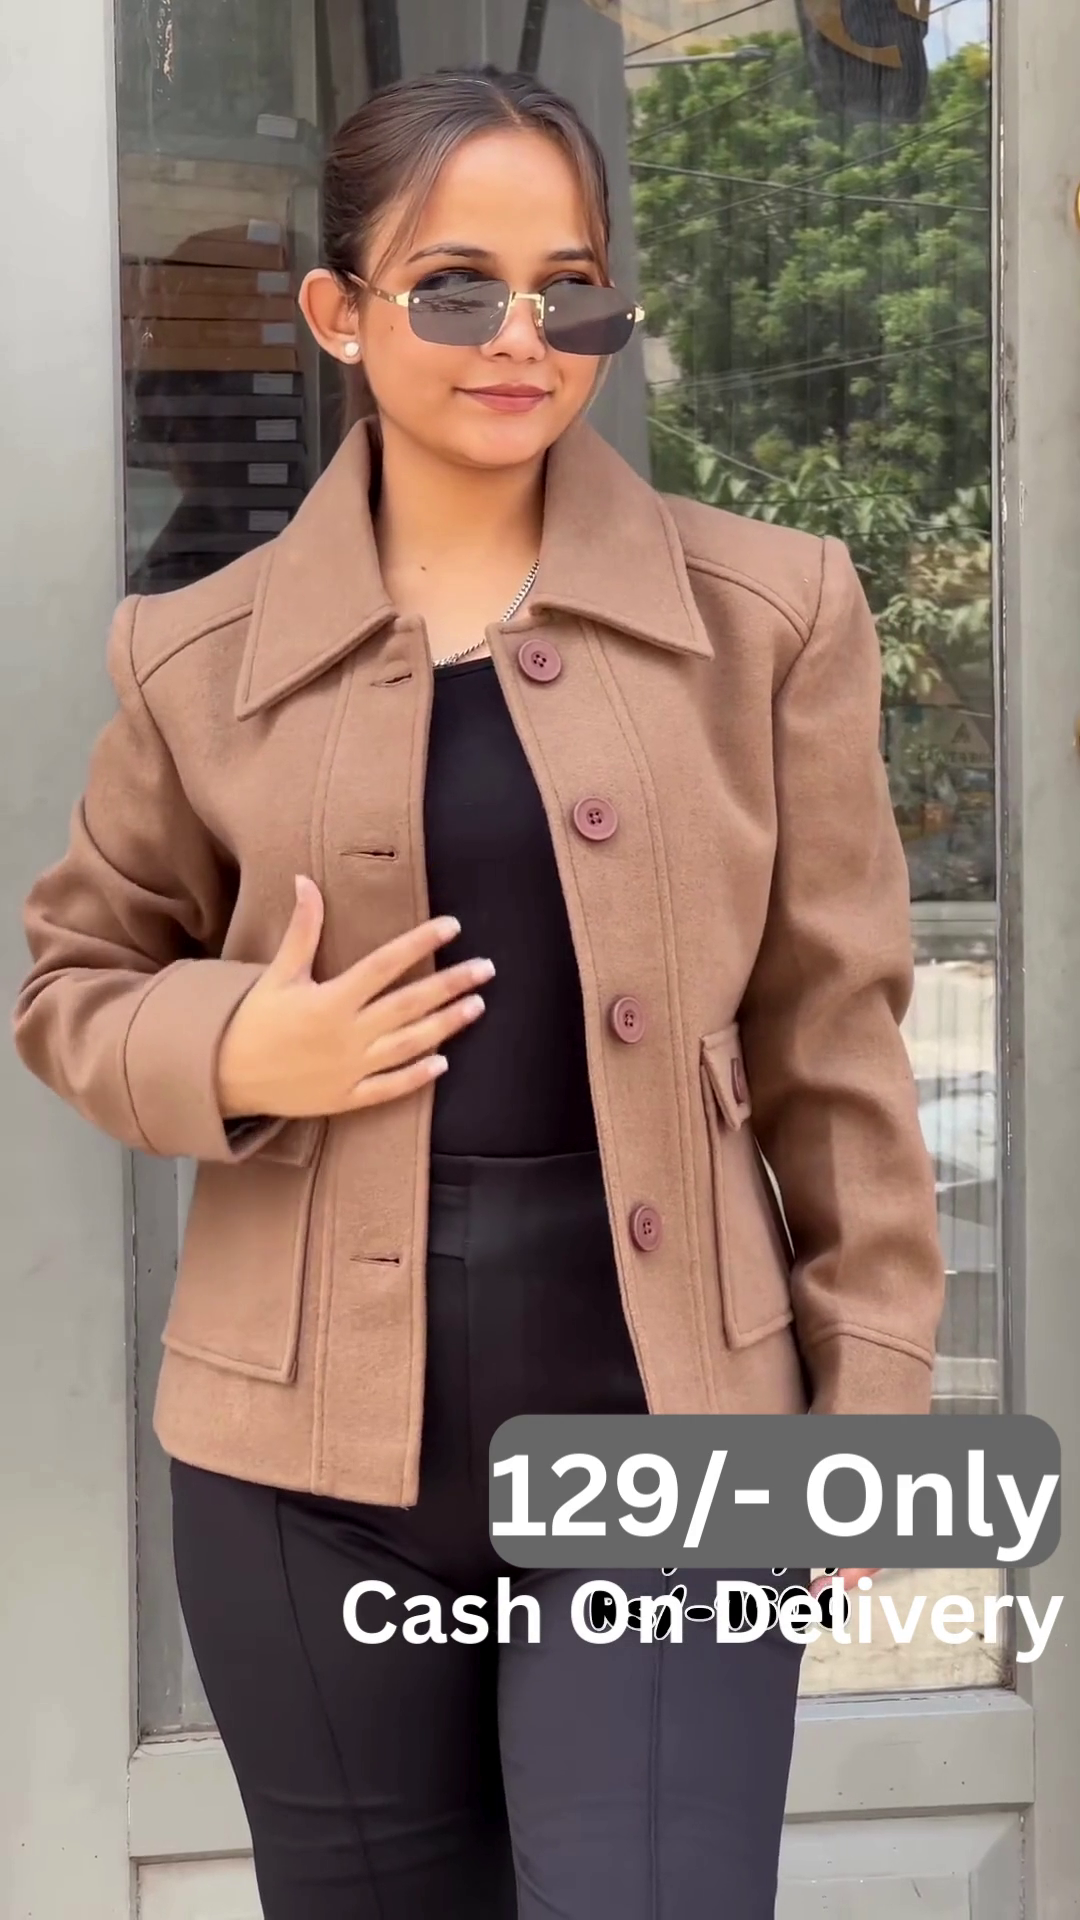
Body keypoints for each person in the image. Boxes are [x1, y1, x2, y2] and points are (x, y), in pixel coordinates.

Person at [12, 65, 945, 1920]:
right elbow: (76, 982)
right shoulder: (196, 657)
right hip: (300, 1472)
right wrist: (242, 1043)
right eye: (455, 286)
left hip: (671, 1438)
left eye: (568, 289)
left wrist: (873, 1406)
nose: (522, 336)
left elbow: (834, 1037)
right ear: (339, 312)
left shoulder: (770, 614)